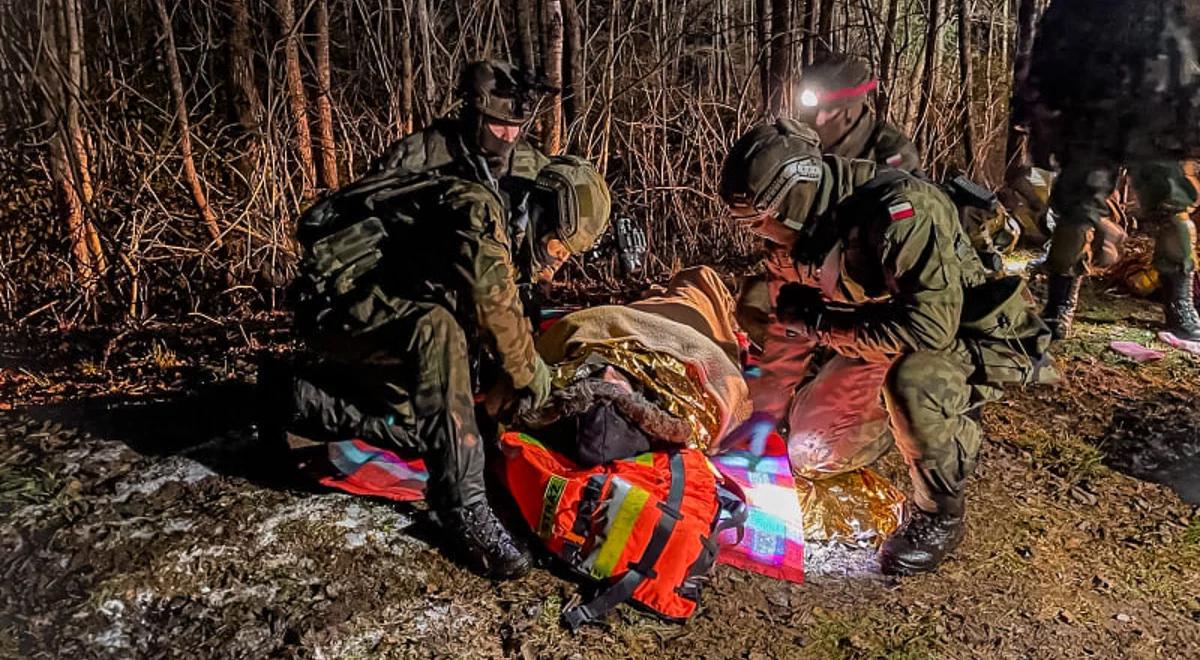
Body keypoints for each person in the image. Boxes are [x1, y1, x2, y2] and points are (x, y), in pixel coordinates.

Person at [719, 119, 1056, 575]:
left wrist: (825, 325)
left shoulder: (901, 213)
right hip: (876, 335)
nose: (759, 233)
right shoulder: (798, 235)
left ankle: (940, 511)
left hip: (963, 339)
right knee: (810, 452)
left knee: (912, 383)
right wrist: (761, 419)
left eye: (761, 220)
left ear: (793, 195)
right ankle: (883, 412)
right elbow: (788, 331)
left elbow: (930, 328)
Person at [270, 150, 611, 580]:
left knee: (438, 430)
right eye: (556, 246)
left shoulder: (515, 227)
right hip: (336, 305)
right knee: (439, 330)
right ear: (540, 213)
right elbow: (493, 304)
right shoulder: (480, 208)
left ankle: (301, 398)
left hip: (389, 311)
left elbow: (512, 310)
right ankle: (462, 506)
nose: (554, 262)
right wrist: (530, 374)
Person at [1026, 0, 1200, 340]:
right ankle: (1059, 305)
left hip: (1155, 115)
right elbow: (1050, 47)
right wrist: (1044, 107)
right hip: (1092, 115)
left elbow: (1189, 41)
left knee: (1172, 207)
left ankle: (1180, 306)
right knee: (1076, 210)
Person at [795, 54, 922, 174]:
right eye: (811, 108)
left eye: (828, 110)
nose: (818, 120)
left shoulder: (894, 153)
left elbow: (901, 189)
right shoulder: (797, 142)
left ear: (849, 113)